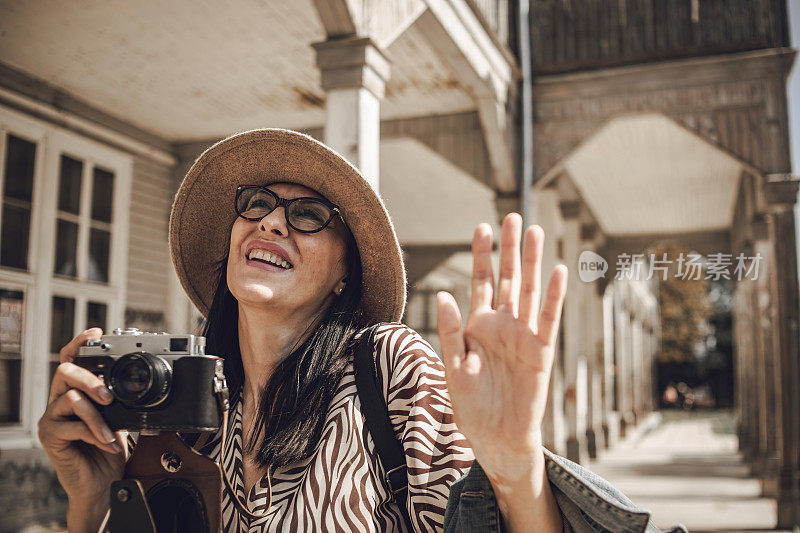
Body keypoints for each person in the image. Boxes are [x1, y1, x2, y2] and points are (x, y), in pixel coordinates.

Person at [38, 129, 685, 532]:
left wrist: (516, 471)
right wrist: (93, 503)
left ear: (347, 269)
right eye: (256, 205)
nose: (270, 223)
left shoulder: (388, 369)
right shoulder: (184, 408)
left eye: (308, 214)